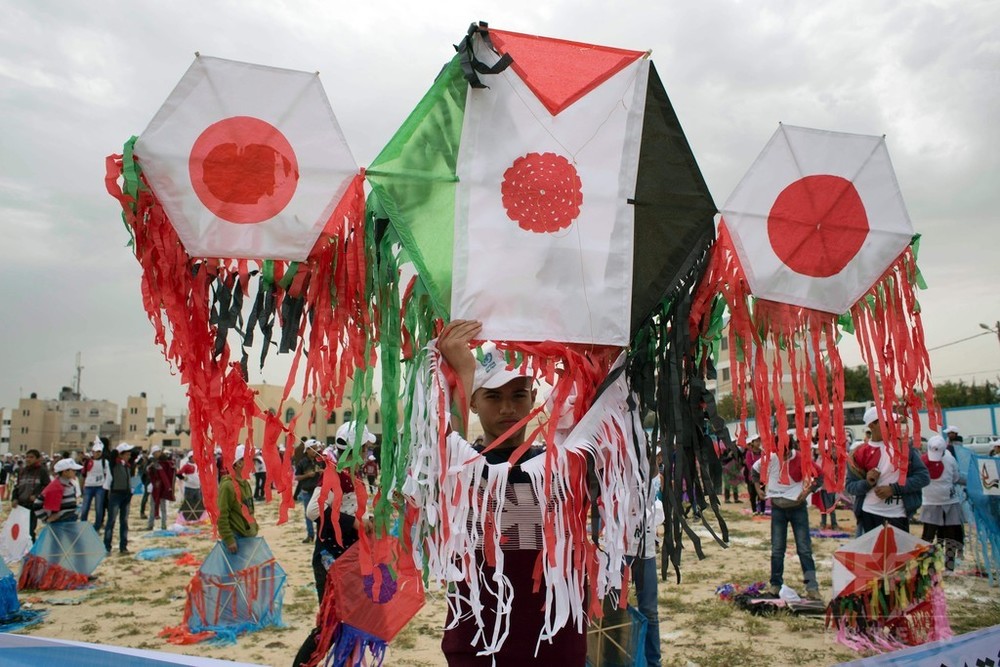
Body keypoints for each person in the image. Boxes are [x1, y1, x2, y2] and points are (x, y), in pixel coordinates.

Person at [435, 320, 587, 666]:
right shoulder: (464, 468)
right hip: (479, 641)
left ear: (534, 397)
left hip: (555, 640)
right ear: (472, 403)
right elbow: (444, 440)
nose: (507, 408)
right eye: (493, 396)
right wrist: (462, 368)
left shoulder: (560, 466)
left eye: (519, 395)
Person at [752, 443, 822, 600]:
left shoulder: (801, 458)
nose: (781, 456)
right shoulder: (770, 458)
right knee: (777, 549)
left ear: (789, 449)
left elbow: (820, 476)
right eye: (778, 452)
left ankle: (812, 587)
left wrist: (807, 492)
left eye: (784, 453)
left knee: (804, 549)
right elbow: (754, 471)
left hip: (798, 509)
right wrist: (758, 489)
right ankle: (775, 585)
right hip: (778, 509)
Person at [845, 406, 930, 534]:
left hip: (898, 514)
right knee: (875, 553)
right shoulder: (859, 453)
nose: (891, 426)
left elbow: (923, 477)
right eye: (886, 423)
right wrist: (867, 483)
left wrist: (894, 489)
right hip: (870, 513)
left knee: (898, 553)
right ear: (872, 425)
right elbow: (850, 486)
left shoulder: (903, 449)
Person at [920, 435, 965, 571]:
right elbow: (956, 477)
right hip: (949, 501)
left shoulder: (922, 459)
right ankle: (949, 566)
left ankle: (923, 566)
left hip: (930, 502)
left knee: (927, 535)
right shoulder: (951, 459)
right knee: (950, 535)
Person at [218, 444, 258, 553]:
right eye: (250, 460)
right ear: (238, 463)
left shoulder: (245, 483)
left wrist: (254, 528)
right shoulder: (228, 486)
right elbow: (221, 515)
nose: (253, 463)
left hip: (247, 536)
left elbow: (249, 510)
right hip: (235, 539)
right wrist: (229, 539)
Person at [12, 449, 51, 541]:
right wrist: (14, 498)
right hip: (20, 505)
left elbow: (48, 487)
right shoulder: (22, 471)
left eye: (31, 457)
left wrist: (37, 496)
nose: (28, 459)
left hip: (33, 505)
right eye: (27, 457)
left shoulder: (42, 471)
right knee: (19, 529)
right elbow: (17, 487)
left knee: (29, 530)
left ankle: (31, 551)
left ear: (38, 459)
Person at [104, 443, 135, 554]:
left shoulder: (127, 465)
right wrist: (117, 451)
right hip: (116, 495)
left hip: (126, 495)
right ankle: (107, 547)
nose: (129, 456)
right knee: (111, 521)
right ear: (120, 454)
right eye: (127, 454)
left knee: (124, 521)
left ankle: (123, 547)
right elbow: (111, 456)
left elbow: (135, 454)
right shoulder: (114, 464)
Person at [35, 458, 83, 524]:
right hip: (59, 522)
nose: (75, 472)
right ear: (65, 472)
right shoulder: (54, 487)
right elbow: (37, 504)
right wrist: (46, 518)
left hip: (71, 520)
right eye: (73, 470)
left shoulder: (71, 485)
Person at [294, 439, 324, 543]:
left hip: (318, 491)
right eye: (313, 449)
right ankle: (310, 535)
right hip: (306, 491)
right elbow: (297, 477)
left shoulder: (320, 460)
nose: (315, 451)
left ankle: (320, 536)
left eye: (316, 448)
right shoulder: (302, 463)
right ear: (307, 450)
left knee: (320, 514)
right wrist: (307, 475)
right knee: (308, 514)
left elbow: (328, 471)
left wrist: (322, 472)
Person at [80, 439, 111, 530]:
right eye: (95, 452)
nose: (97, 454)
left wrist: (106, 487)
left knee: (99, 508)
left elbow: (107, 475)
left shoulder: (105, 462)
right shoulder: (88, 462)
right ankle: (83, 525)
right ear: (92, 452)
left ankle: (97, 526)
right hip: (88, 486)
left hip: (100, 487)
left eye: (99, 452)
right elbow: (83, 475)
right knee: (85, 508)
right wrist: (82, 487)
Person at [146, 446, 176, 530]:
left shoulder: (164, 463)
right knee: (155, 507)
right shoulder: (156, 463)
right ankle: (153, 525)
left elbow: (166, 475)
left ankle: (161, 525)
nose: (155, 455)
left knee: (160, 507)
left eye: (155, 453)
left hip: (160, 488)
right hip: (158, 487)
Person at [744, 433, 765, 515]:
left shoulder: (762, 452)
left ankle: (762, 510)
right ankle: (754, 510)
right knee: (753, 495)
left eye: (759, 441)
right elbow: (749, 465)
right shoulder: (749, 453)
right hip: (752, 477)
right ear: (752, 443)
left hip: (762, 477)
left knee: (762, 494)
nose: (758, 443)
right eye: (756, 441)